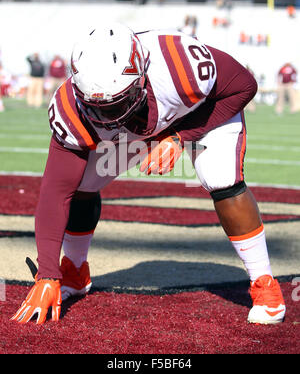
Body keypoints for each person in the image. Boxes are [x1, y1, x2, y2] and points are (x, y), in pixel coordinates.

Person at [11, 23, 285, 325]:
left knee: (222, 180)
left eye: (117, 103)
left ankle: (264, 284)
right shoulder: (71, 108)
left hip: (195, 112)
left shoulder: (180, 66)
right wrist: (47, 273)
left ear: (142, 76)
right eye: (96, 107)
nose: (108, 116)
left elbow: (243, 85)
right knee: (81, 183)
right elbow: (55, 193)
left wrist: (181, 137)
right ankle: (73, 271)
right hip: (138, 126)